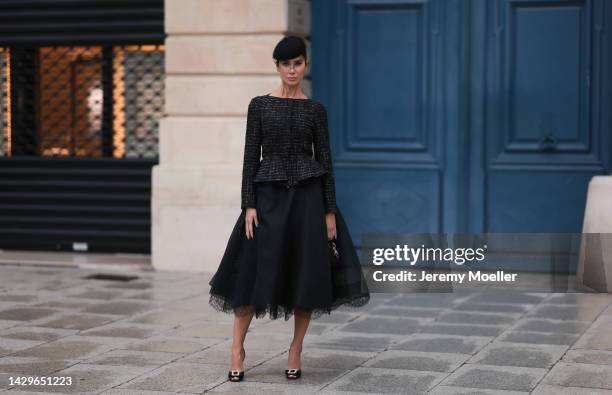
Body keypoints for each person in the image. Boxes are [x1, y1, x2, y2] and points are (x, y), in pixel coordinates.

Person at [208, 35, 370, 383]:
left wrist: (329, 212)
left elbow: (325, 161)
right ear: (278, 67)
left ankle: (295, 349)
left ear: (305, 65)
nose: (292, 69)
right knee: (251, 272)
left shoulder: (316, 110)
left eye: (298, 63)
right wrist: (248, 204)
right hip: (267, 201)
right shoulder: (260, 106)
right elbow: (251, 157)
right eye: (286, 64)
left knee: (305, 276)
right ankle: (237, 349)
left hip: (309, 202)